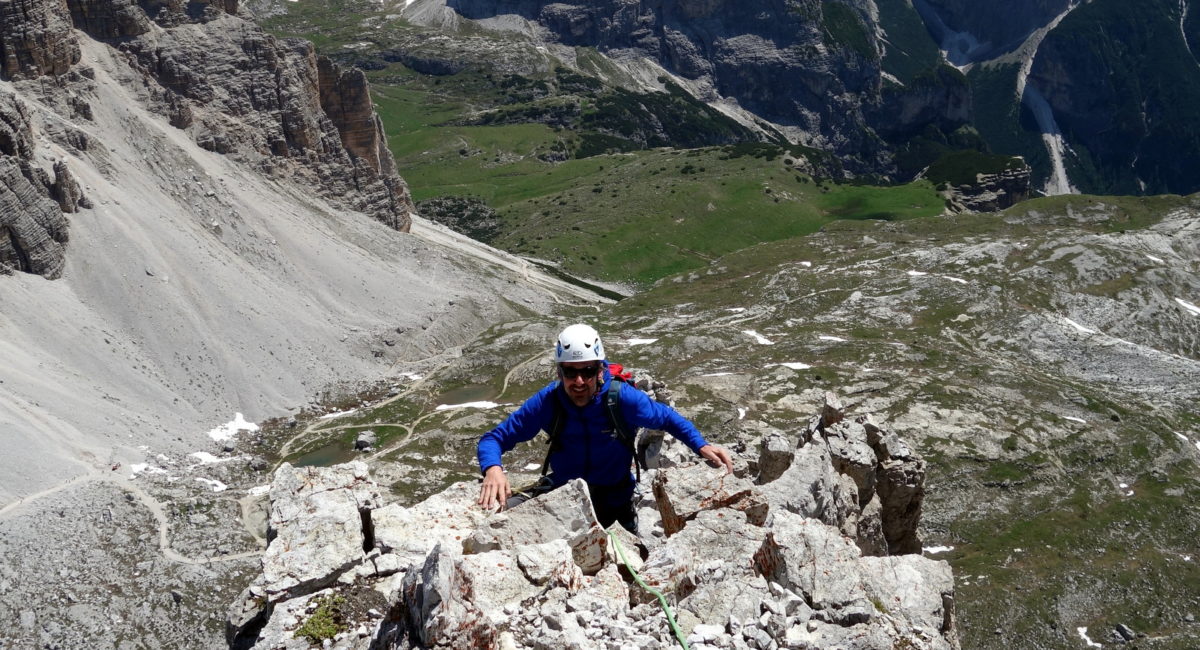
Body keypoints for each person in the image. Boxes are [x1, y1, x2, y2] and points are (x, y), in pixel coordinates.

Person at [476, 323, 734, 532]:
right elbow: (493, 439)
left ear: (600, 369)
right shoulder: (548, 402)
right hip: (564, 496)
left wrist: (701, 444)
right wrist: (493, 469)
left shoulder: (621, 399)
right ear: (559, 372)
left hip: (615, 500)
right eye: (570, 372)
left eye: (587, 371)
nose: (579, 381)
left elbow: (667, 418)